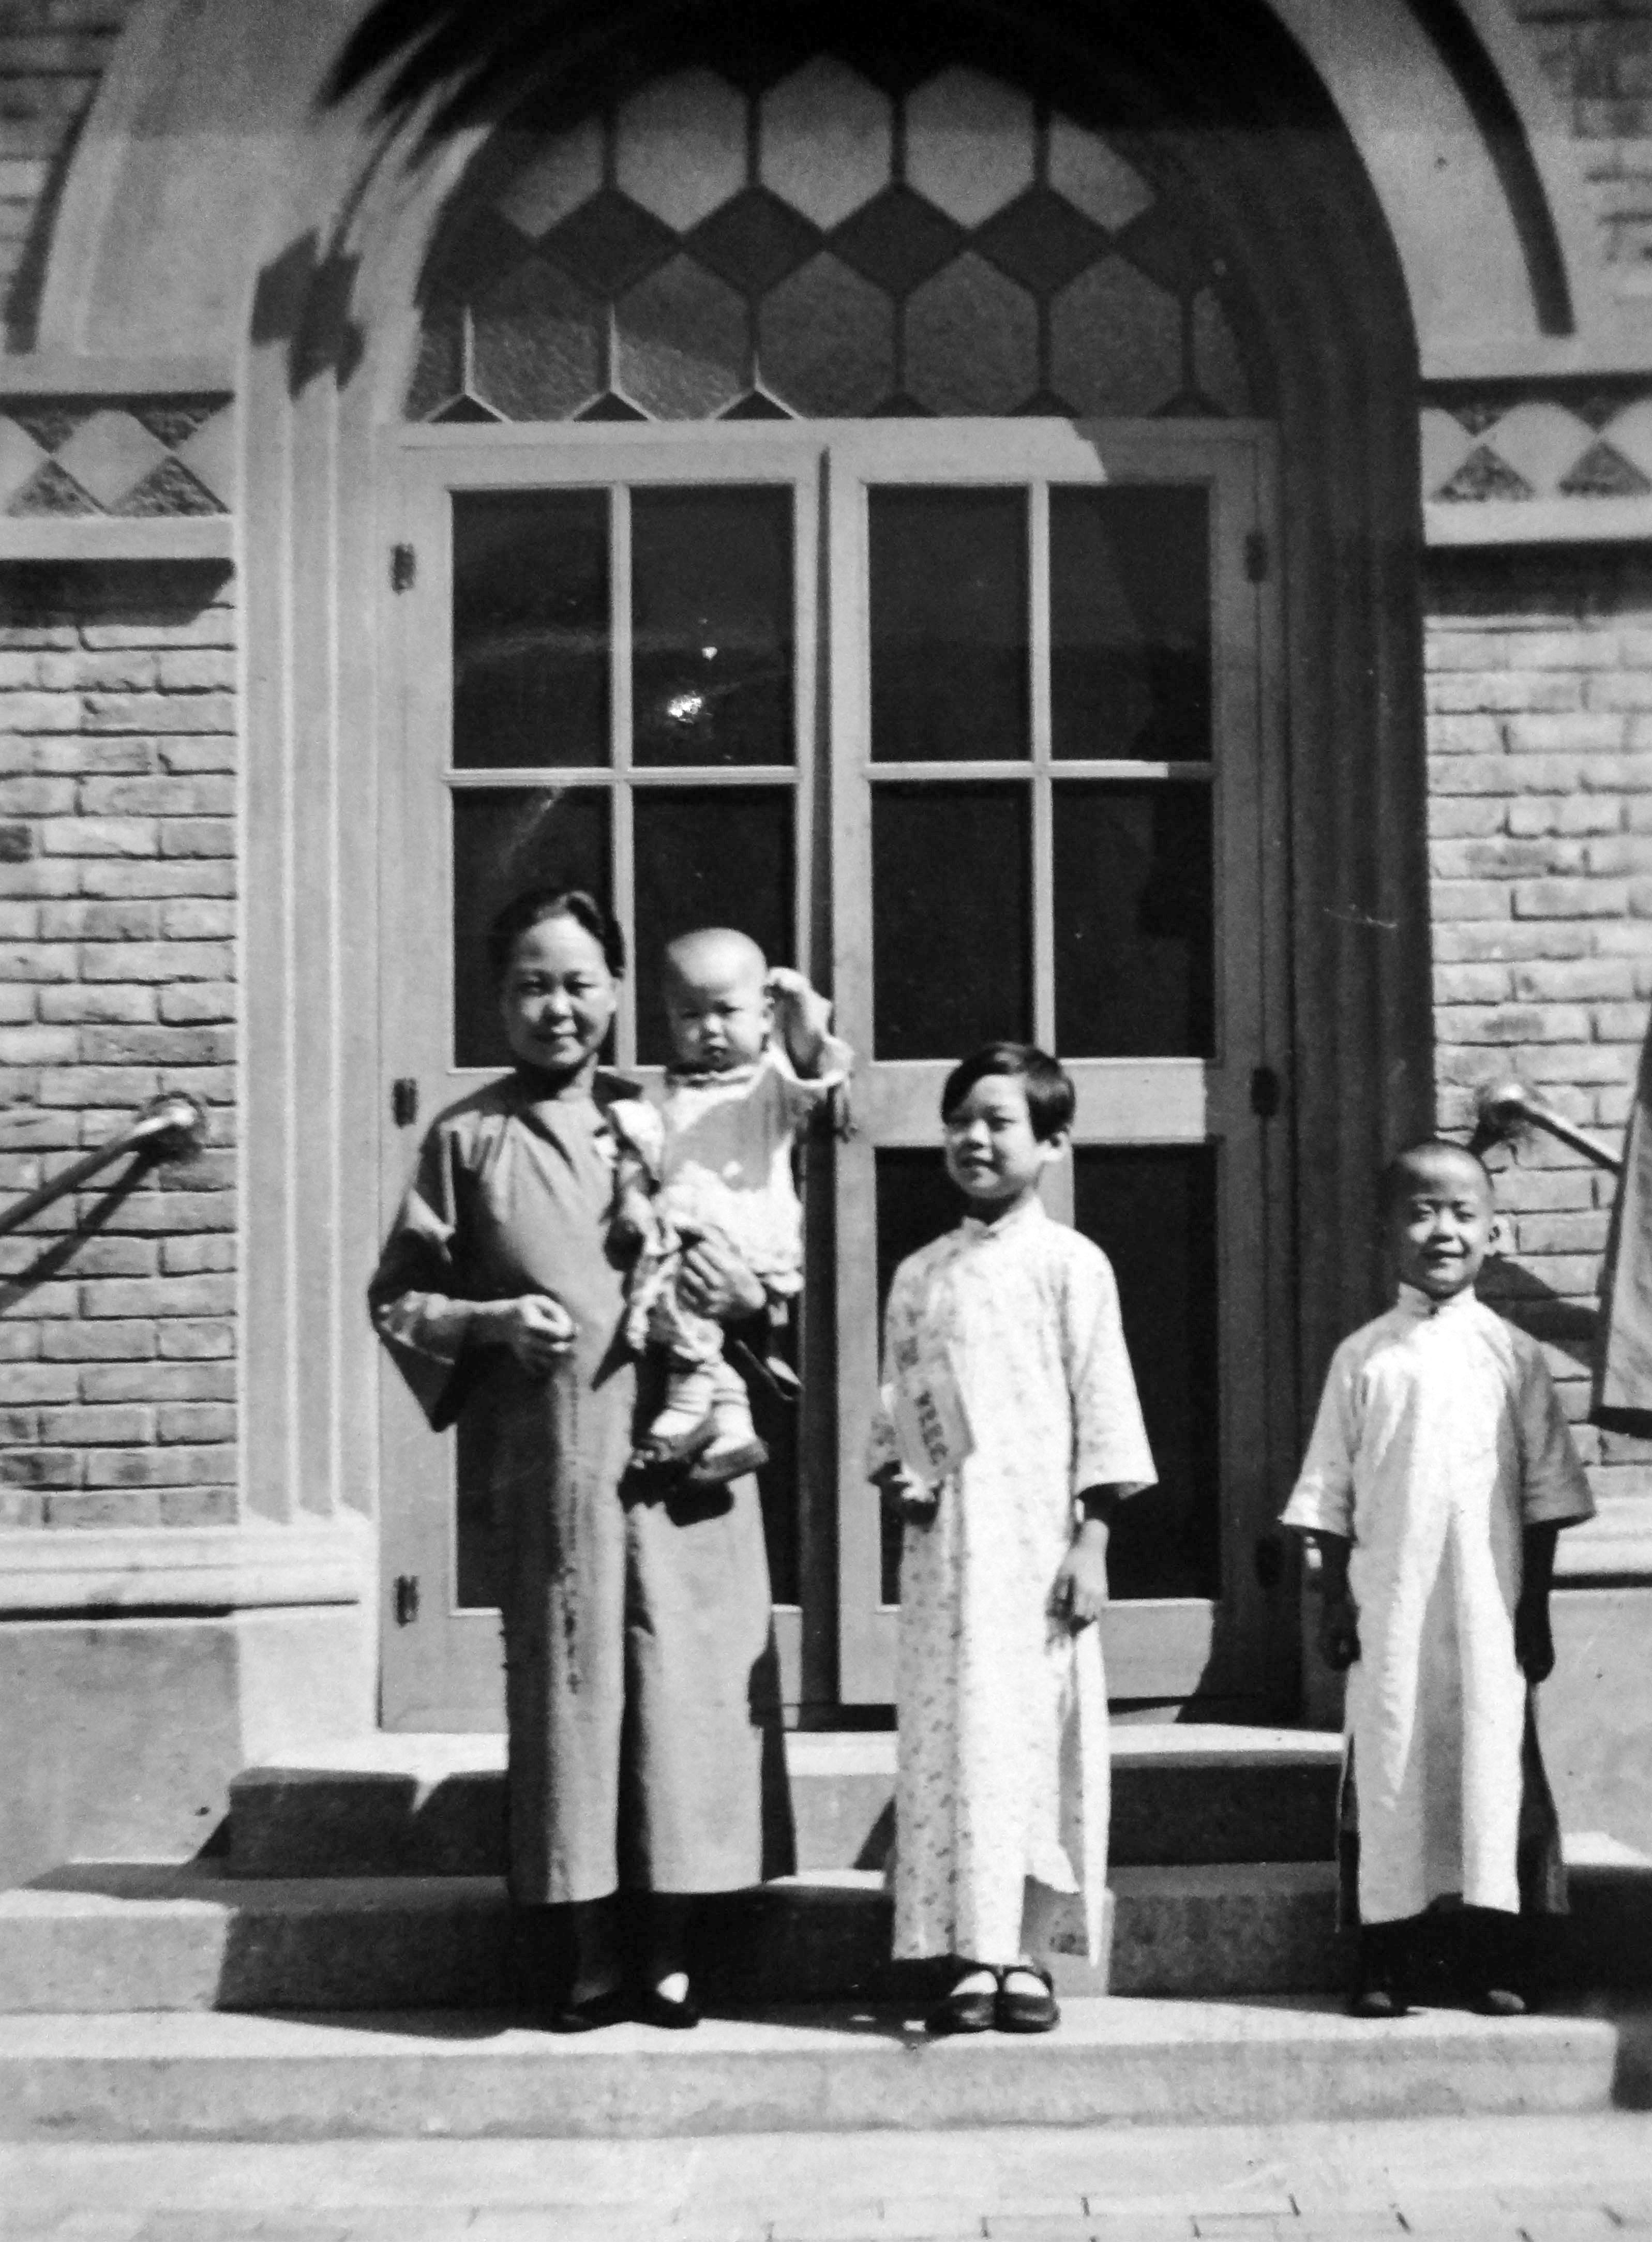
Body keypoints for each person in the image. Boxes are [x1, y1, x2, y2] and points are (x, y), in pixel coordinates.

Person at [368, 886, 788, 2032]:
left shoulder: (669, 1116)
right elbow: (399, 1299)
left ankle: (671, 1949)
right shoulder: (467, 1139)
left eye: (578, 984)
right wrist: (492, 1321)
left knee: (683, 1694)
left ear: (616, 992)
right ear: (498, 1000)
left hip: (685, 1463)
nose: (557, 1008)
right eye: (531, 986)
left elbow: (763, 1251)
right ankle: (589, 1950)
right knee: (574, 1696)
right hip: (557, 1461)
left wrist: (746, 1299)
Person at [867, 1042, 1155, 2037]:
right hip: (948, 1556)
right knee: (954, 1740)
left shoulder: (1072, 1265)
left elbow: (1103, 1409)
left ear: (1052, 1144)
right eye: (959, 1120)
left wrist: (1092, 1542)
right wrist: (907, 1476)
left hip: (1039, 1553)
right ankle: (964, 1953)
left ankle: (1024, 1953)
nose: (974, 1138)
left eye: (998, 1122)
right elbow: (911, 1410)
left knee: (1031, 1743)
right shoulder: (921, 1275)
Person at [1281, 1139, 1596, 2020]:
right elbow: (1327, 1495)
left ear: (1492, 1232)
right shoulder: (1363, 1358)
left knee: (1489, 1765)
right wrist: (1332, 1600)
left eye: (1462, 1213)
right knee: (1392, 1764)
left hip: (1488, 1606)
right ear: (1387, 1230)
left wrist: (1533, 1609)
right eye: (1420, 1212)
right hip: (1390, 1611)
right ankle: (1386, 1952)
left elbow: (1543, 1499)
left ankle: (1494, 1949)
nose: (1442, 1230)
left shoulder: (1512, 1356)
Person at [609, 928, 850, 1482]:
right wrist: (632, 1198)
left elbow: (814, 1067)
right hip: (683, 1239)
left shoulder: (767, 1087)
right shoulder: (665, 1094)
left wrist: (802, 1009)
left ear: (764, 1016)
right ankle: (733, 1430)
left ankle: (688, 1410)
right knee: (686, 1314)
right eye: (690, 1015)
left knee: (683, 1316)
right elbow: (637, 1150)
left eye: (727, 1011)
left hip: (745, 1243)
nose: (710, 1029)